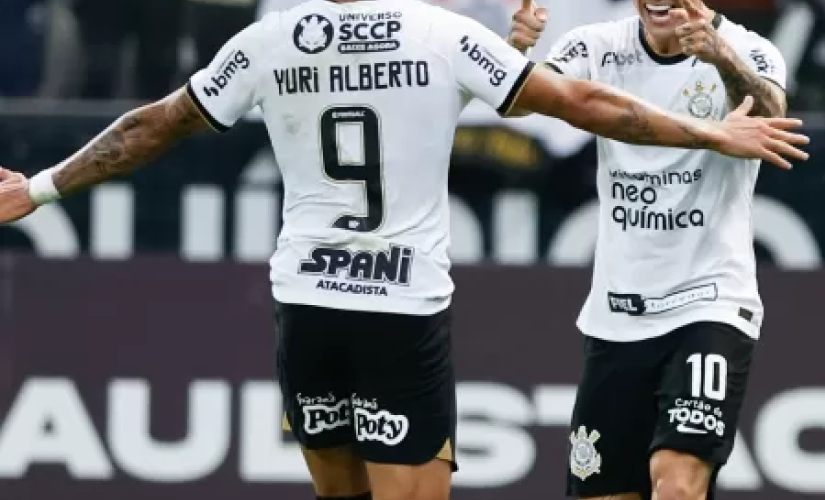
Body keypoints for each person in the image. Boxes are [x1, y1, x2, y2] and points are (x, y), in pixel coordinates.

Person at [0, 0, 809, 498]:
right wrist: (703, 128)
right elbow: (580, 104)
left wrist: (37, 189)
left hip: (306, 307)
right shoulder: (440, 33)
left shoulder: (268, 40)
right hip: (400, 308)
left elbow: (157, 121)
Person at [508, 1, 795, 500]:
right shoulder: (597, 45)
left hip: (710, 302)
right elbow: (519, 102)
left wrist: (721, 57)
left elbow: (773, 118)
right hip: (617, 313)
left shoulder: (750, 49)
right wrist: (514, 53)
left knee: (677, 483)